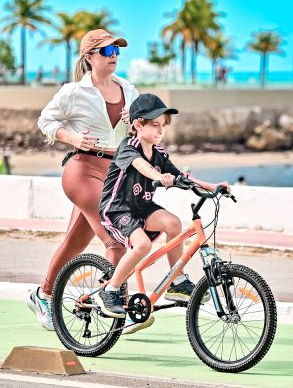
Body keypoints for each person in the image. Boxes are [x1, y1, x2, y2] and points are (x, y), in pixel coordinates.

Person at [29, 29, 140, 332]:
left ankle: (43, 294)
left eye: (117, 49)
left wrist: (137, 124)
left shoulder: (129, 89)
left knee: (74, 244)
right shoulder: (73, 92)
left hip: (114, 175)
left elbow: (144, 131)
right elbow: (46, 122)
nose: (114, 55)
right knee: (115, 238)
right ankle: (121, 306)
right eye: (106, 51)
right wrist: (73, 137)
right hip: (82, 171)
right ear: (89, 57)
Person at [94, 93, 229, 319]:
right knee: (143, 246)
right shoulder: (129, 146)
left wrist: (212, 186)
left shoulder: (159, 154)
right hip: (118, 208)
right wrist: (159, 175)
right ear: (138, 124)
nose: (160, 130)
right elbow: (140, 166)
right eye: (155, 125)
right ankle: (110, 291)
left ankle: (177, 282)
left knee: (173, 223)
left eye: (163, 126)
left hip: (142, 206)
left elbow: (182, 176)